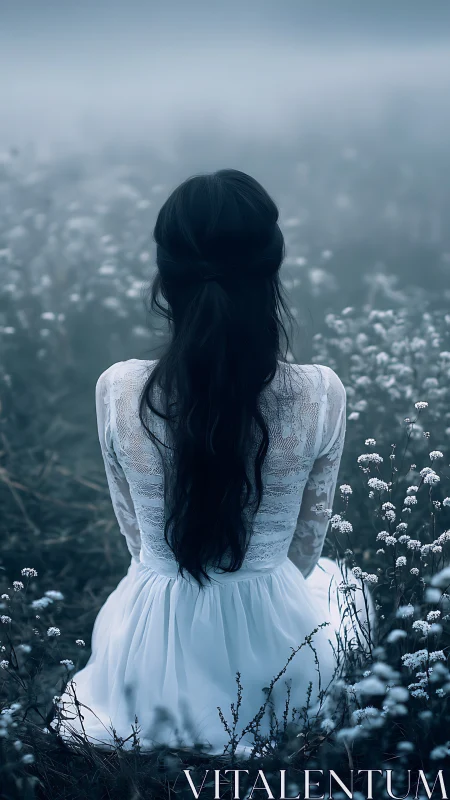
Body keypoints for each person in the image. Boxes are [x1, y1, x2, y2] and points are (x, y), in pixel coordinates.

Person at [51, 169, 374, 757]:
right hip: (276, 648)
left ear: (166, 276)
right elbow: (305, 548)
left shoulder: (119, 388)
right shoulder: (319, 392)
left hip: (147, 649)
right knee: (336, 582)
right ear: (271, 268)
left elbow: (137, 537)